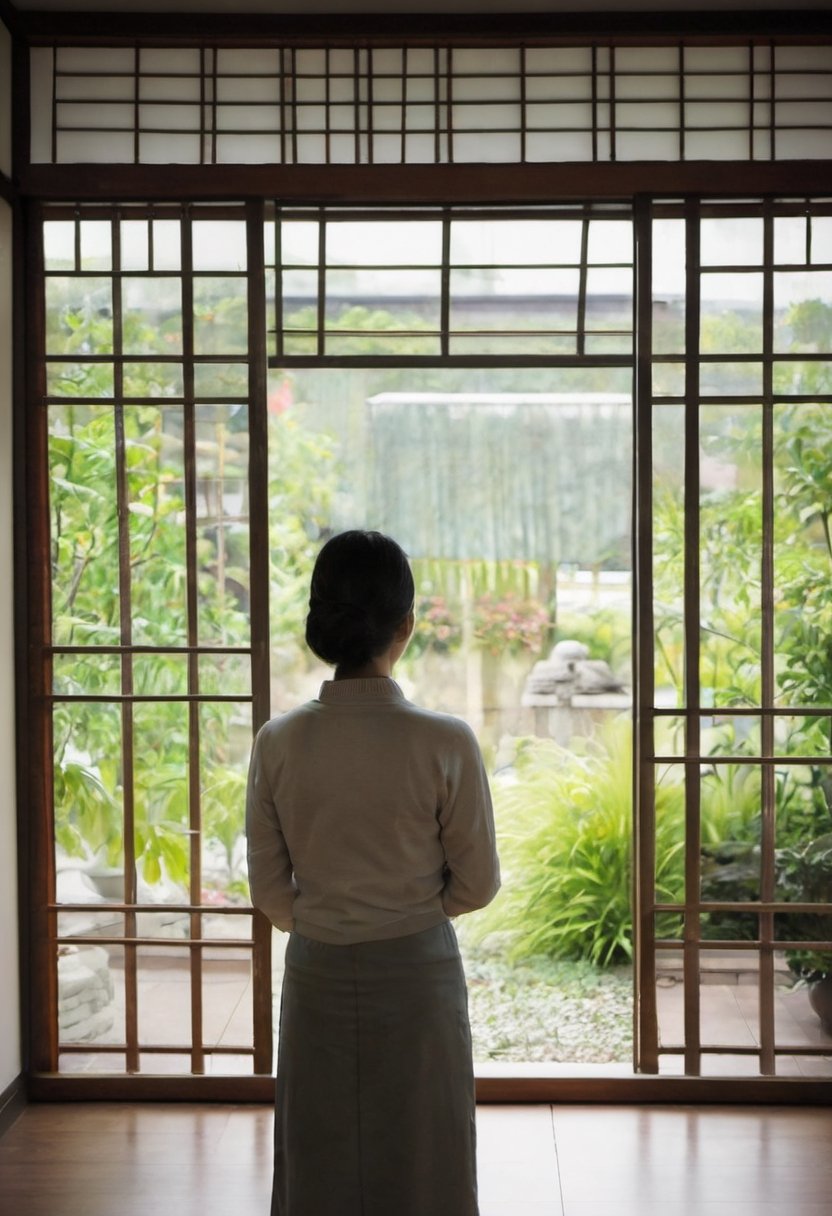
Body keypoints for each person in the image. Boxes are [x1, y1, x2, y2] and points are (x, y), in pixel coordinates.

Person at [246, 529, 500, 1216]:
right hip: (418, 974)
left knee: (319, 1159)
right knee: (427, 1161)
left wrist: (329, 918)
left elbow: (269, 891)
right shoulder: (445, 741)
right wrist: (408, 912)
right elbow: (477, 884)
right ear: (406, 626)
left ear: (320, 624)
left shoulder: (278, 743)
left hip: (317, 974)